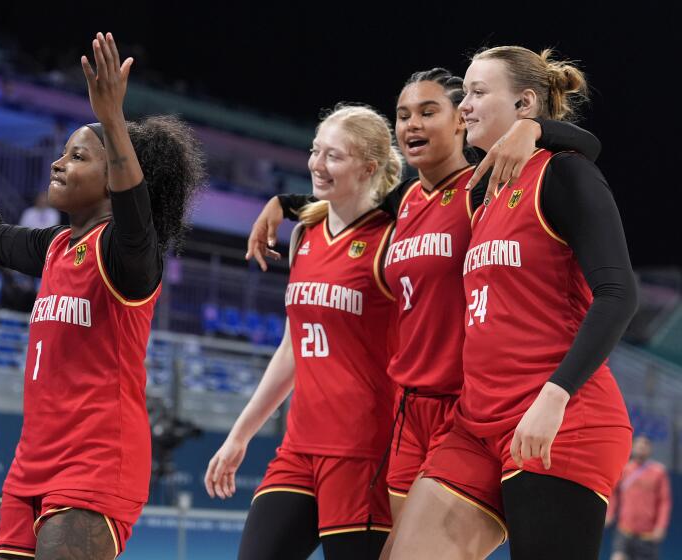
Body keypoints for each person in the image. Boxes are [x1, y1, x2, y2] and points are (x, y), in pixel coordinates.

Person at [246, 70, 601, 560]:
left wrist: (533, 128)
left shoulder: (484, 188)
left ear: (462, 121)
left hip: (468, 403)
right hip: (409, 411)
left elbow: (579, 157)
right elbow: (346, 201)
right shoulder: (404, 202)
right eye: (404, 114)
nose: (411, 123)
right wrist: (284, 204)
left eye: (428, 112)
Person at [0, 32, 204, 560]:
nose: (58, 163)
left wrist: (112, 120)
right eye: (62, 153)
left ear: (112, 174)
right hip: (32, 462)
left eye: (77, 156)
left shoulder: (129, 255)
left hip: (97, 460)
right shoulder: (56, 246)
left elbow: (135, 217)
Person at [387, 46, 637, 560]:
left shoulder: (564, 174)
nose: (465, 106)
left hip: (560, 419)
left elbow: (618, 294)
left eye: (478, 93)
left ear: (524, 103)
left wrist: (555, 396)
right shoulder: (484, 194)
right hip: (476, 423)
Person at [206, 104, 401, 560]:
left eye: (334, 156)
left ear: (368, 167)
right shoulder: (304, 233)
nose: (316, 164)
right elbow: (294, 344)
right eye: (315, 151)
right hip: (298, 447)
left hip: (363, 452)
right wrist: (240, 434)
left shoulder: (392, 238)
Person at [607, 435, 672, 560]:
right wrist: (610, 513)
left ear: (650, 449)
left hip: (647, 535)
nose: (641, 447)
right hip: (624, 531)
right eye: (638, 444)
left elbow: (664, 501)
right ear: (633, 447)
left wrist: (661, 526)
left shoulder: (659, 472)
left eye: (645, 445)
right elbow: (614, 493)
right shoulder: (624, 469)